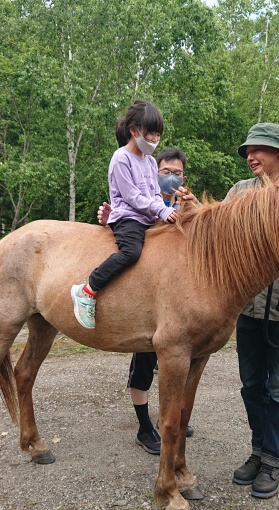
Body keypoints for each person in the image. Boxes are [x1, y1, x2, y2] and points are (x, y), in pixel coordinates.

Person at [228, 123, 279, 499]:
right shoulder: (238, 192)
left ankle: (274, 460)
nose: (251, 156)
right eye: (248, 150)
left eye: (259, 149)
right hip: (247, 306)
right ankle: (258, 451)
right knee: (251, 386)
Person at [97, 148, 194, 455]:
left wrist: (192, 207)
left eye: (176, 173)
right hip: (148, 299)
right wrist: (108, 218)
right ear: (154, 174)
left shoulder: (185, 203)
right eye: (165, 171)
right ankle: (143, 427)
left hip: (178, 300)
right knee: (143, 365)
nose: (171, 177)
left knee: (176, 367)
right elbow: (125, 234)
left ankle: (172, 417)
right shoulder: (145, 205)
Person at [70, 100, 178, 329]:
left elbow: (154, 193)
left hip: (148, 217)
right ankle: (88, 289)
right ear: (134, 131)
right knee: (131, 252)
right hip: (128, 217)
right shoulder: (121, 158)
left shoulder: (149, 162)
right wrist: (160, 209)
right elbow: (133, 197)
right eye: (150, 134)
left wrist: (165, 210)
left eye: (158, 135)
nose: (154, 140)